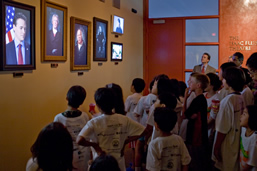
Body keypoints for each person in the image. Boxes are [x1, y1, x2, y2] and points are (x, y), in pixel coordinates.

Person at [76, 88, 146, 171]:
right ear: (114, 104)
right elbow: (144, 131)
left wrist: (95, 145)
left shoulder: (94, 122)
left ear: (98, 105)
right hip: (118, 163)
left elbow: (79, 140)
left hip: (100, 163)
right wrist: (125, 141)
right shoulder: (124, 119)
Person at [212, 66, 245, 171]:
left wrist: (216, 148)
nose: (222, 80)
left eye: (224, 79)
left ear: (229, 81)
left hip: (227, 141)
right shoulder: (240, 97)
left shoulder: (227, 101)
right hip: (237, 140)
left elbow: (222, 128)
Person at [54, 85, 91, 171]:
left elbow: (56, 140)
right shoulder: (85, 116)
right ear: (81, 102)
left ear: (67, 98)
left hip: (67, 154)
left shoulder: (58, 118)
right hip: (84, 154)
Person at [182, 73, 209, 171]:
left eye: (191, 81)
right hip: (198, 134)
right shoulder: (201, 99)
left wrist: (185, 97)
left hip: (196, 135)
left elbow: (184, 115)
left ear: (198, 85)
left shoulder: (198, 99)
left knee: (195, 160)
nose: (189, 82)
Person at [239, 105, 257, 171]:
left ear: (252, 117)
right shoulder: (244, 129)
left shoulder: (254, 139)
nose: (241, 116)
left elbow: (250, 164)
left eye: (244, 114)